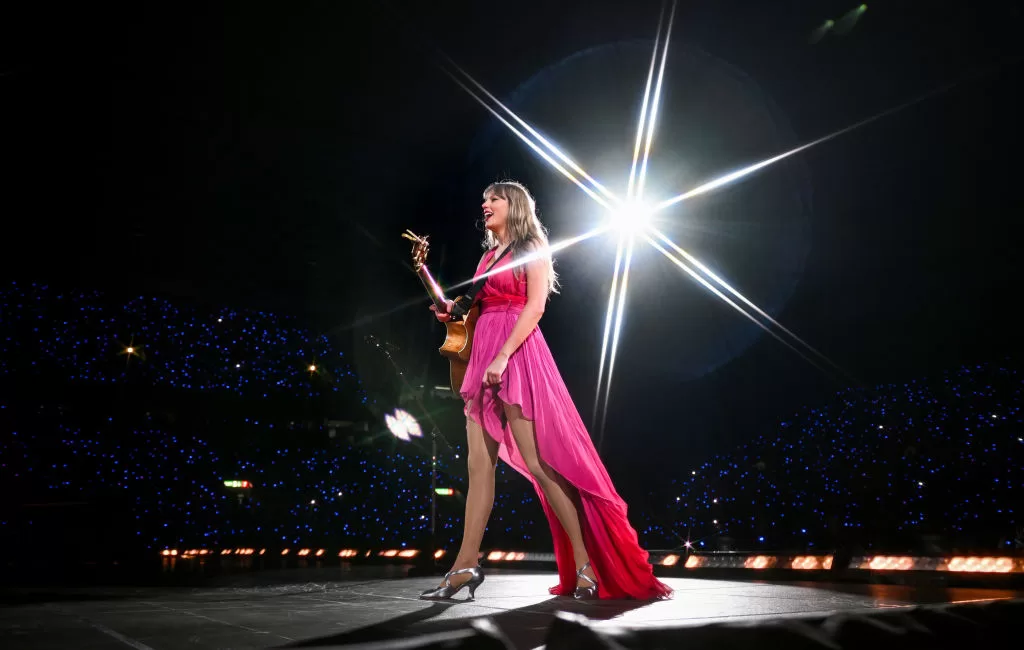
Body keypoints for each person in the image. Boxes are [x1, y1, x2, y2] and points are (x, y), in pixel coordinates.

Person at [420, 181, 671, 601]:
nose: (485, 204)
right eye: (484, 199)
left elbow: (535, 307)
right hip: (483, 352)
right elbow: (475, 308)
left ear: (515, 205)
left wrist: (503, 356)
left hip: (516, 353)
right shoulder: (487, 257)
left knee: (540, 464)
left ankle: (586, 563)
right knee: (478, 468)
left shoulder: (531, 246)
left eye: (494, 198)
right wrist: (450, 311)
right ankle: (464, 565)